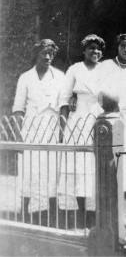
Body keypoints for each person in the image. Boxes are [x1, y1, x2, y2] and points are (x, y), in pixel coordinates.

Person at [12, 39, 64, 223]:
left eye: (51, 53)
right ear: (36, 54)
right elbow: (18, 108)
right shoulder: (26, 77)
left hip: (52, 125)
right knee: (29, 168)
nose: (48, 57)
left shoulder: (60, 76)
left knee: (52, 168)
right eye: (44, 53)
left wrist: (61, 131)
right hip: (31, 127)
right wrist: (19, 135)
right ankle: (25, 210)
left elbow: (63, 105)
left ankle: (52, 210)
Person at [58, 34, 105, 227]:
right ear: (84, 50)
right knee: (79, 164)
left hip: (100, 116)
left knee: (98, 164)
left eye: (99, 48)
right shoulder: (74, 69)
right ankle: (83, 211)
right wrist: (62, 129)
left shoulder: (107, 69)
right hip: (78, 121)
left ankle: (98, 213)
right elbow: (64, 98)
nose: (95, 51)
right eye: (91, 48)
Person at [99, 33, 126, 243]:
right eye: (123, 46)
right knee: (116, 168)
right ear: (117, 47)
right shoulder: (107, 66)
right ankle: (115, 220)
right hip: (115, 119)